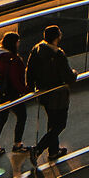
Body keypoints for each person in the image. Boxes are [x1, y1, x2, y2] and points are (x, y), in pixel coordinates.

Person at [26, 23, 77, 169]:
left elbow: (29, 71)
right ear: (57, 37)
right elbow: (69, 77)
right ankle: (38, 149)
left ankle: (54, 151)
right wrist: (74, 73)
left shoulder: (37, 49)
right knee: (60, 124)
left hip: (44, 94)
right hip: (58, 95)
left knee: (52, 122)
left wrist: (31, 88)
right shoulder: (58, 54)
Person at [0, 31, 30, 162]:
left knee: (2, 118)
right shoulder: (13, 59)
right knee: (22, 116)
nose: (18, 44)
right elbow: (15, 79)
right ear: (13, 43)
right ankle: (17, 144)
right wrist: (25, 90)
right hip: (12, 93)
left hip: (1, 91)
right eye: (17, 42)